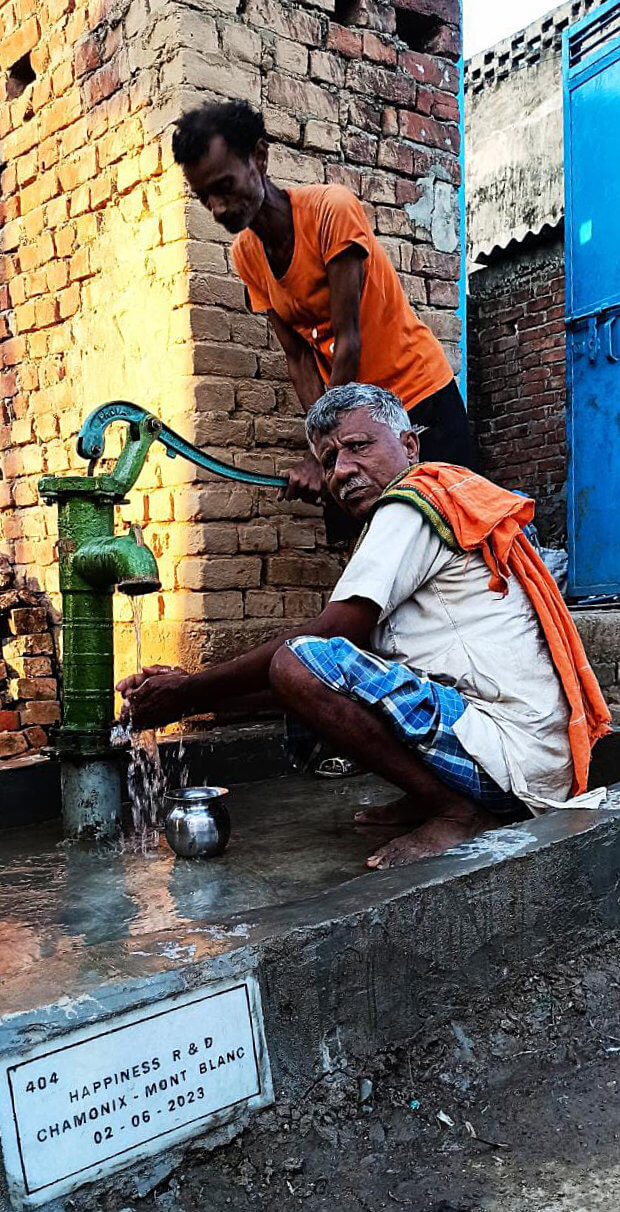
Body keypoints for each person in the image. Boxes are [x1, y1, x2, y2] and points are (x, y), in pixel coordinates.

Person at [117, 385, 610, 871]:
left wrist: (189, 692)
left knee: (300, 659)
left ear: (410, 447)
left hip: (510, 758)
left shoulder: (412, 503)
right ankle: (436, 799)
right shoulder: (425, 510)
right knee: (303, 672)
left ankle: (457, 811)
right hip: (530, 762)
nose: (342, 471)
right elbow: (310, 690)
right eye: (328, 460)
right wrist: (190, 696)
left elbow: (321, 646)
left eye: (358, 446)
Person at [171, 100, 476, 521]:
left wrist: (323, 452)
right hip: (353, 423)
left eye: (224, 186)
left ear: (259, 157)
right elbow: (298, 358)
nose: (218, 207)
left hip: (416, 397)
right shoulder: (246, 254)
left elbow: (349, 341)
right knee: (374, 551)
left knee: (453, 536)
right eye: (204, 197)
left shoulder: (330, 210)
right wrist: (326, 445)